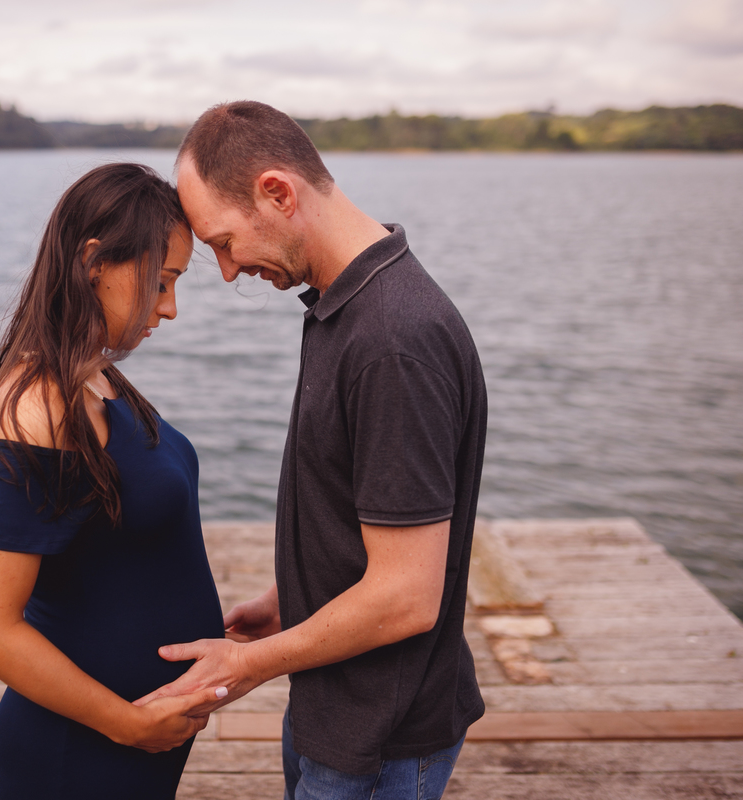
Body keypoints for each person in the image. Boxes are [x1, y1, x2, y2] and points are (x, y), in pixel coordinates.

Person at [138, 101, 487, 800]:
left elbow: (407, 597)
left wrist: (250, 663)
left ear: (277, 192)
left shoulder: (391, 340)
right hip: (334, 705)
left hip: (379, 737)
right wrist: (288, 599)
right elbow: (365, 520)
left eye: (225, 242)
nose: (228, 271)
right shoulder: (346, 304)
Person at [0, 162, 228, 800]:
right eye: (160, 282)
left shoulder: (95, 376)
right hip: (79, 752)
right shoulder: (38, 406)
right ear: (94, 261)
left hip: (131, 746)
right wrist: (127, 724)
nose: (169, 308)